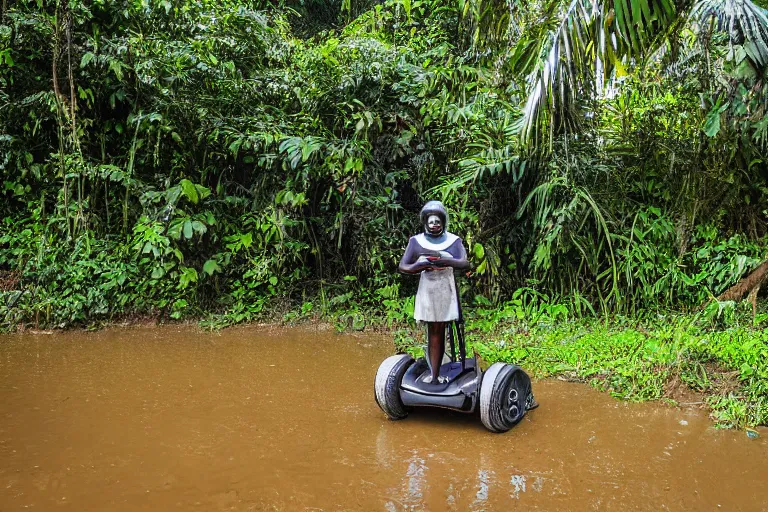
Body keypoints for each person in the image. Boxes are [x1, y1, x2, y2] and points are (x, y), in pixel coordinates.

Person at [399, 201, 469, 384]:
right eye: (431, 222)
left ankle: (438, 372)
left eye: (437, 222)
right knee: (433, 330)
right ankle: (434, 373)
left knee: (440, 329)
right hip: (428, 289)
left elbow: (464, 263)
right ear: (425, 222)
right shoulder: (416, 242)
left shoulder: (453, 241)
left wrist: (446, 261)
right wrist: (419, 265)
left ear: (443, 222)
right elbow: (404, 266)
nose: (434, 225)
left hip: (445, 288)